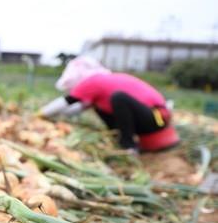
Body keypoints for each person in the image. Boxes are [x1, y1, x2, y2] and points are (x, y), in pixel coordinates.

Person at [39, 56, 179, 153]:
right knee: (99, 106)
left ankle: (128, 147)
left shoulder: (93, 81)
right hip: (151, 120)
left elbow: (67, 101)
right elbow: (77, 108)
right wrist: (59, 117)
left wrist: (41, 113)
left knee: (119, 98)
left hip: (157, 118)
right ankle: (120, 140)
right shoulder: (100, 84)